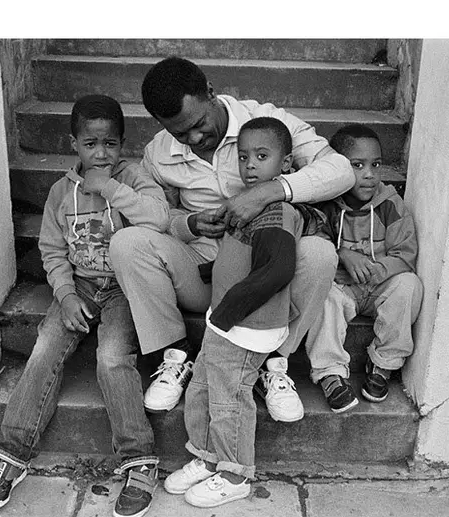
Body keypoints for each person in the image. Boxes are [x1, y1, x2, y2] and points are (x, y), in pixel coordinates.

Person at [116, 57, 351, 418]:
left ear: (210, 92)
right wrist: (190, 223)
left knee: (319, 254)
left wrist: (271, 190)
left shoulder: (265, 122)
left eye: (198, 124)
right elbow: (157, 216)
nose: (194, 138)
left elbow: (341, 170)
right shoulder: (158, 154)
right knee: (127, 243)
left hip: (272, 276)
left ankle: (273, 364)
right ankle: (176, 356)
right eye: (180, 133)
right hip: (205, 273)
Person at [0, 95, 170, 517]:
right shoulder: (62, 192)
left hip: (125, 288)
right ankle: (12, 453)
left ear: (123, 144)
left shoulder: (135, 178)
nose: (101, 153)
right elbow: (52, 250)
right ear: (73, 144)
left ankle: (138, 460)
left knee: (112, 356)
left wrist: (112, 189)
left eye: (111, 144)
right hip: (79, 286)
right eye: (90, 144)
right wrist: (64, 296)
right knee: (45, 346)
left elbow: (159, 220)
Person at [159, 117, 304, 509]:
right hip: (223, 321)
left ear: (285, 165)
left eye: (262, 156)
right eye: (243, 157)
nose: (251, 165)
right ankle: (207, 457)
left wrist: (227, 313)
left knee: (229, 399)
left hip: (244, 326)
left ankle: (235, 472)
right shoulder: (246, 208)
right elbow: (236, 258)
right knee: (203, 387)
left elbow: (277, 270)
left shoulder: (276, 213)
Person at [307, 125, 422, 407]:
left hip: (379, 285)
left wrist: (377, 271)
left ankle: (383, 362)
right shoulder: (325, 204)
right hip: (343, 286)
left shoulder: (391, 204)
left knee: (410, 285)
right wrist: (344, 252)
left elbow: (404, 253)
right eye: (357, 165)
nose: (369, 174)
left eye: (376, 164)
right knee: (324, 296)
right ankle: (329, 371)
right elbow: (313, 241)